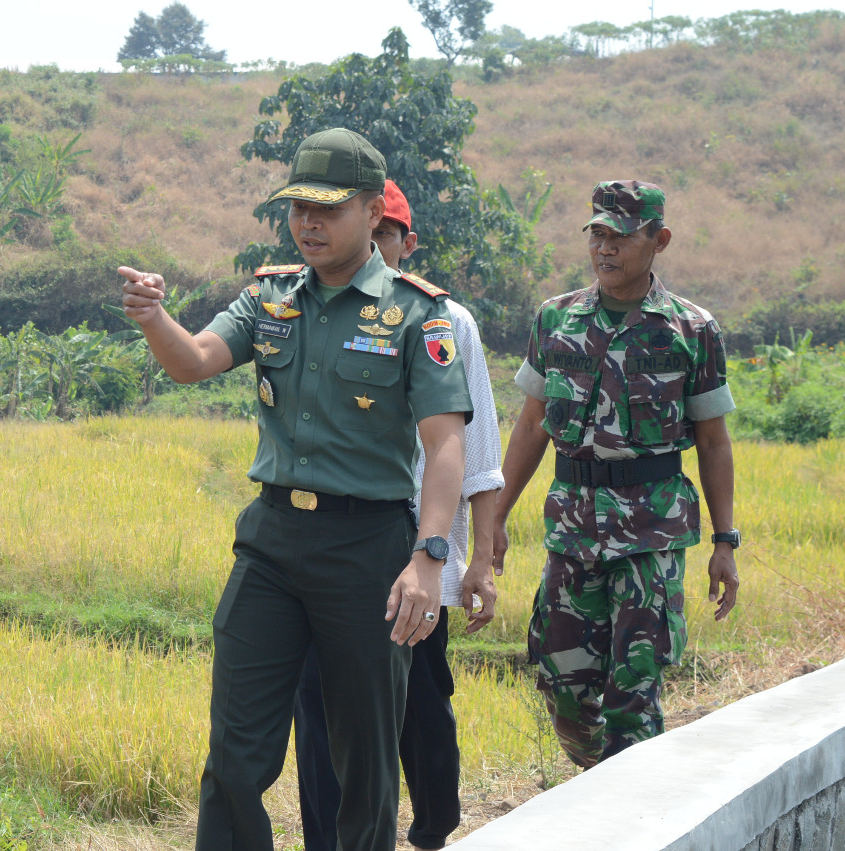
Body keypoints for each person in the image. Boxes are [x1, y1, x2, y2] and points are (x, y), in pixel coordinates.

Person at [118, 128, 473, 851]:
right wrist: (155, 318)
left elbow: (445, 446)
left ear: (375, 211)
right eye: (297, 208)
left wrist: (429, 558)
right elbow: (195, 361)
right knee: (235, 756)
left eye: (327, 209)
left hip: (368, 549)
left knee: (364, 764)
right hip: (272, 546)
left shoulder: (417, 313)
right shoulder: (270, 297)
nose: (307, 223)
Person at [493, 179, 740, 768]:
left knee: (634, 691)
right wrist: (494, 518)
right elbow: (531, 427)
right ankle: (600, 779)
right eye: (598, 235)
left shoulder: (691, 328)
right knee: (563, 685)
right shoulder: (555, 319)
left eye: (622, 236)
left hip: (651, 534)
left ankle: (632, 815)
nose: (606, 249)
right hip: (572, 529)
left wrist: (725, 542)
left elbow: (713, 439)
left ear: (659, 240)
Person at [292, 178, 504, 851]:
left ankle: (434, 824)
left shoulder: (447, 322)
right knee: (324, 713)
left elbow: (478, 456)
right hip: (325, 556)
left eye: (379, 238)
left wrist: (481, 564)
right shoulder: (303, 312)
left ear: (402, 241)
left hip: (419, 558)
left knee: (418, 710)